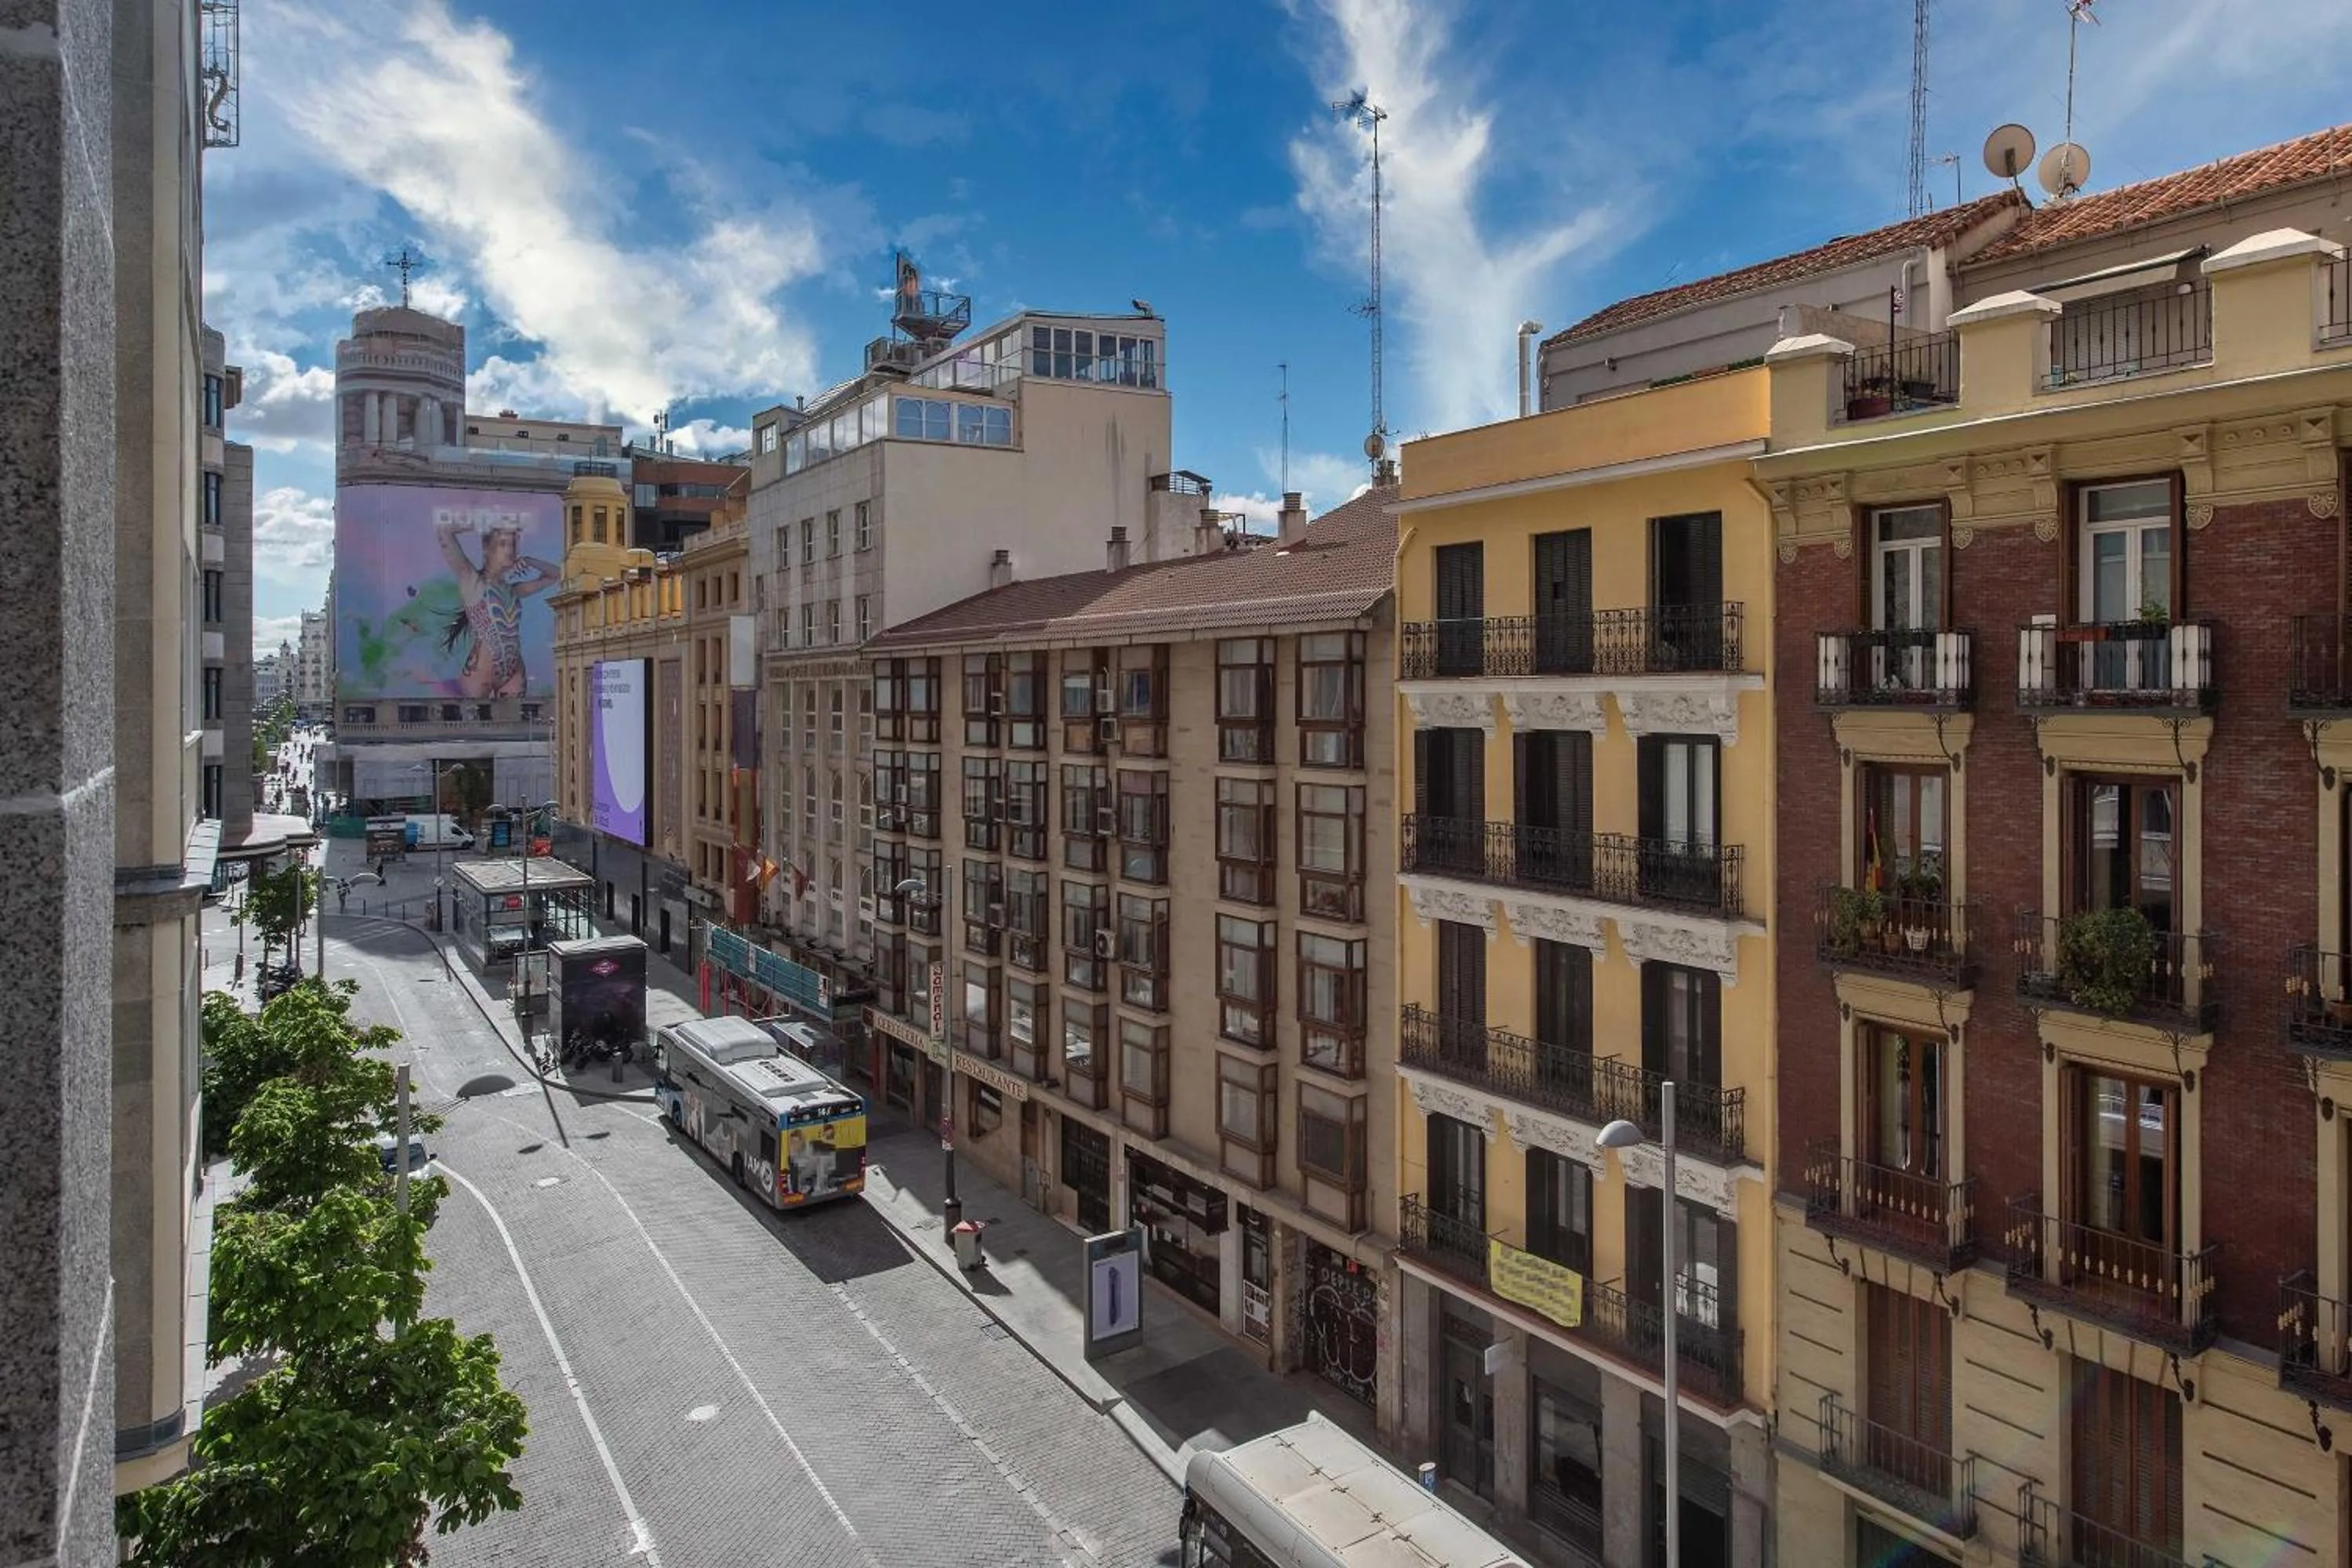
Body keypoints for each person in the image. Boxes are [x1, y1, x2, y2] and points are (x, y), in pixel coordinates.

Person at [436, 514, 561, 699]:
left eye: (513, 544)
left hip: (513, 672)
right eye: (503, 544)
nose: (510, 550)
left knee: (516, 717)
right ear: (487, 549)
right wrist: (486, 523)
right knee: (475, 717)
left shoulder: (513, 590)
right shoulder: (472, 582)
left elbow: (556, 575)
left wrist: (529, 561)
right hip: (480, 673)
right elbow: (444, 531)